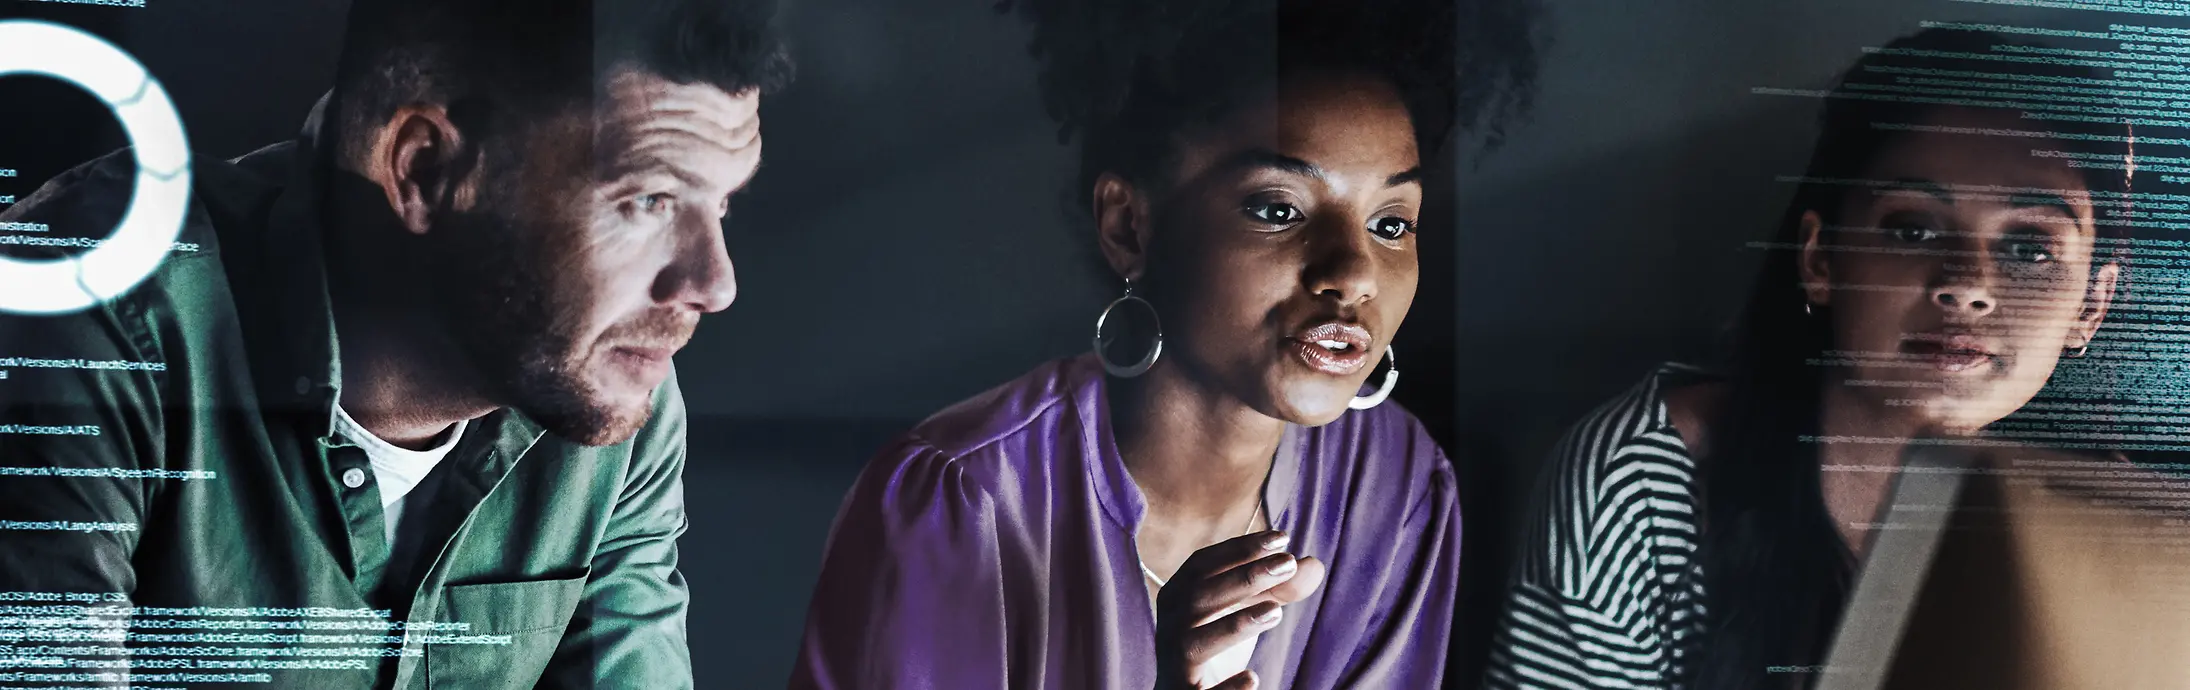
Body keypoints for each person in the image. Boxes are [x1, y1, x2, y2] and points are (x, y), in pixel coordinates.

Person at [0, 0, 790, 687]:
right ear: (425, 169)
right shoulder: (86, 306)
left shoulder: (614, 391)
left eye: (719, 203)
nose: (713, 283)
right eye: (647, 199)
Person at [791, 1, 1540, 688]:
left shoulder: (1395, 486)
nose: (1352, 275)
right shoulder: (960, 502)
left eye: (1389, 223)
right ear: (1130, 227)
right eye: (1278, 208)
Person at [1485, 27, 2131, 689]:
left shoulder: (2132, 541)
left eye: (2029, 248)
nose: (1966, 284)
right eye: (1912, 228)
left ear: (2091, 305)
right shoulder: (1647, 481)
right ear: (1820, 258)